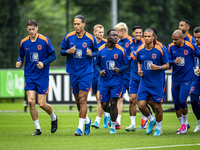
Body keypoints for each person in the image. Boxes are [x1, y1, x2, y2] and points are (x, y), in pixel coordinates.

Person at [16, 19, 58, 135]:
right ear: (27, 29)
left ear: (37, 28)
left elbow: (53, 55)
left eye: (33, 29)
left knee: (42, 104)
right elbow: (21, 55)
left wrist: (44, 63)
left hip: (42, 76)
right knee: (30, 101)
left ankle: (54, 117)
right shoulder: (24, 42)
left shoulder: (44, 40)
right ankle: (38, 129)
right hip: (29, 75)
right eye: (29, 30)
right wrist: (19, 61)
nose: (31, 32)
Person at [60, 15, 99, 136]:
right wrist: (67, 51)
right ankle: (87, 120)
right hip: (73, 72)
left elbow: (97, 52)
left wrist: (91, 54)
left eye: (78, 24)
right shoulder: (68, 37)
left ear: (84, 24)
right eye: (74, 24)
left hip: (86, 72)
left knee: (83, 99)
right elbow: (61, 51)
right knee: (77, 101)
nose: (76, 26)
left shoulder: (90, 38)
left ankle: (79, 128)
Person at [136, 28, 169, 136]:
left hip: (156, 83)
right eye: (145, 36)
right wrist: (139, 70)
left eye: (149, 36)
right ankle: (151, 120)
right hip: (144, 82)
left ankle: (158, 128)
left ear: (154, 37)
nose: (146, 38)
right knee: (140, 105)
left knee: (157, 107)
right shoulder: (140, 50)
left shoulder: (160, 50)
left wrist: (158, 67)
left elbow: (167, 65)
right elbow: (139, 61)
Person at [96, 29, 129, 134]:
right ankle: (112, 116)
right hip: (104, 81)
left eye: (117, 35)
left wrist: (119, 70)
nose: (116, 37)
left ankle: (113, 127)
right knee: (104, 105)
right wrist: (100, 71)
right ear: (107, 36)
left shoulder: (121, 50)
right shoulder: (100, 49)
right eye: (113, 35)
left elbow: (127, 64)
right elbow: (96, 64)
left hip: (117, 80)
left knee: (114, 103)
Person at [168, 30, 200, 134]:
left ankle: (185, 124)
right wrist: (174, 62)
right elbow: (167, 61)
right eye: (173, 39)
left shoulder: (190, 46)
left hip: (187, 78)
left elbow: (198, 55)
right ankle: (182, 125)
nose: (174, 41)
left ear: (182, 39)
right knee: (176, 103)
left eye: (176, 39)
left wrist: (197, 67)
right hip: (175, 78)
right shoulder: (170, 47)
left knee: (182, 100)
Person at [125, 26, 146, 131]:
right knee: (132, 99)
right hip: (133, 76)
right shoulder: (131, 44)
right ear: (133, 33)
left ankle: (145, 119)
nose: (138, 34)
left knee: (144, 101)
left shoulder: (145, 43)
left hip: (144, 76)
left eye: (140, 32)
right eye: (136, 32)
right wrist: (131, 56)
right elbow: (127, 56)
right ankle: (133, 124)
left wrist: (137, 56)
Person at [114, 22, 133, 129]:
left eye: (116, 32)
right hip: (121, 74)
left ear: (123, 31)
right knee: (119, 98)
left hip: (131, 74)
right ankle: (118, 121)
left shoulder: (131, 41)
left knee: (133, 99)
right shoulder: (118, 42)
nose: (115, 35)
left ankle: (143, 119)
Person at [91, 24, 109, 129]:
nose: (101, 34)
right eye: (99, 32)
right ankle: (106, 115)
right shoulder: (90, 42)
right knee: (96, 97)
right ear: (94, 32)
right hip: (91, 72)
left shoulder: (106, 43)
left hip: (101, 73)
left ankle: (97, 120)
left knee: (99, 97)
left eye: (102, 32)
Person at [190, 27, 200, 133]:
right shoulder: (192, 48)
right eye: (195, 37)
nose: (197, 39)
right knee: (193, 100)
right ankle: (199, 121)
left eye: (199, 37)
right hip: (196, 79)